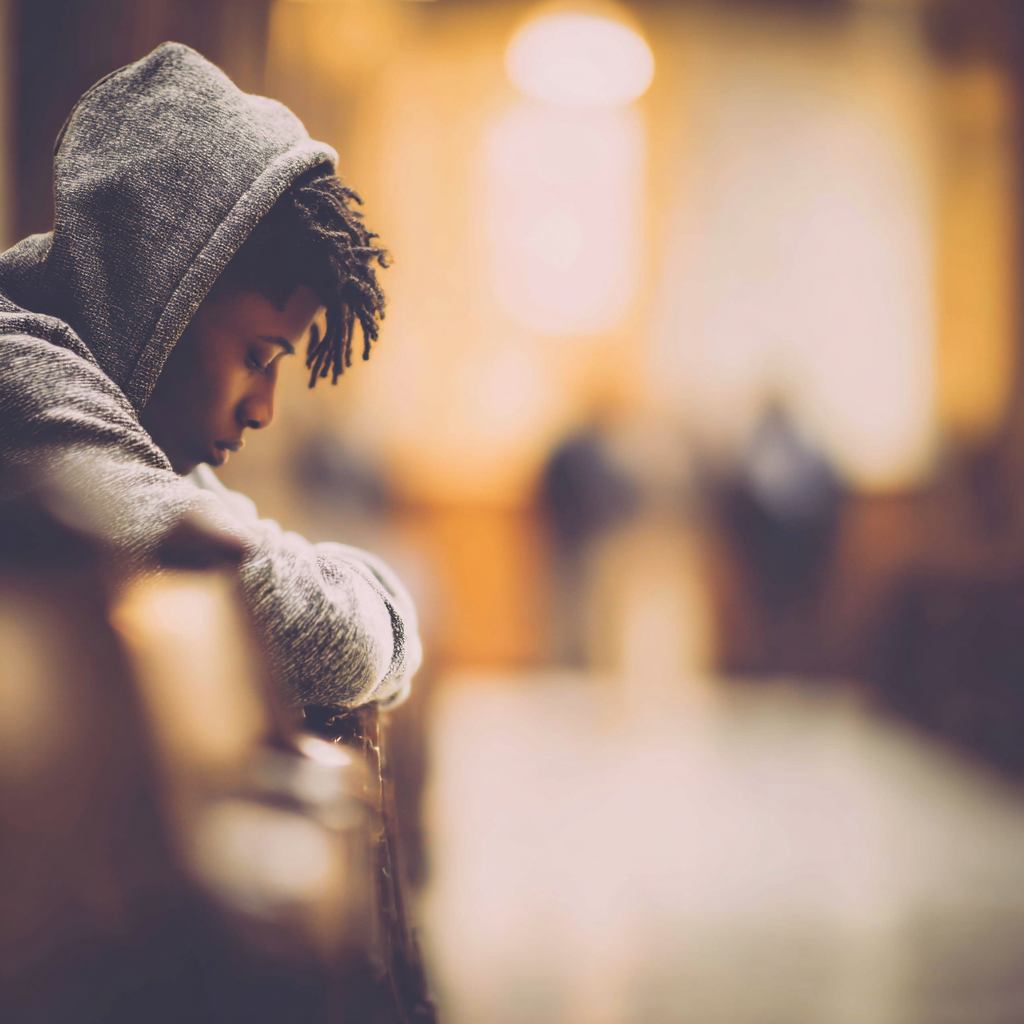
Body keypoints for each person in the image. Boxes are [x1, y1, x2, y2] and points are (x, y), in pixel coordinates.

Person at [0, 43, 420, 710]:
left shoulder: (119, 431)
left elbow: (246, 545)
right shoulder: (20, 387)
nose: (264, 411)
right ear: (162, 298)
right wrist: (393, 630)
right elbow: (317, 633)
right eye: (258, 358)